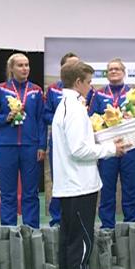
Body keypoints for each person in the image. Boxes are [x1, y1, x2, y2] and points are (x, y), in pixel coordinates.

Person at [51, 61, 127, 269]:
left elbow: (77, 144)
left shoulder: (66, 106)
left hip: (71, 187)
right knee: (81, 247)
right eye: (89, 82)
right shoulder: (74, 109)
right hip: (80, 188)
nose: (91, 87)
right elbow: (79, 150)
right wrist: (111, 148)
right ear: (78, 82)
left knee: (68, 244)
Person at [0, 53, 46, 228]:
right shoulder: (1, 89)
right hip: (7, 147)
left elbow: (41, 120)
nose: (25, 68)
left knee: (31, 193)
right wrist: (5, 117)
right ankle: (8, 230)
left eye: (27, 65)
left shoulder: (36, 90)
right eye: (20, 65)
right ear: (11, 68)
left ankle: (32, 229)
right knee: (8, 193)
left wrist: (42, 145)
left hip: (30, 147)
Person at [89, 58, 135, 228]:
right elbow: (91, 117)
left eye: (117, 69)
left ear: (124, 72)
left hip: (130, 146)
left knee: (131, 187)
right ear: (107, 74)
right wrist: (103, 121)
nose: (114, 72)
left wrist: (133, 120)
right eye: (110, 70)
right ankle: (107, 226)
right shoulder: (98, 94)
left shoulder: (134, 94)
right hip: (108, 148)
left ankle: (132, 225)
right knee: (107, 187)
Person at [43, 52, 80, 227]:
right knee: (59, 180)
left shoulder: (86, 90)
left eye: (77, 65)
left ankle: (75, 217)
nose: (75, 68)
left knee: (78, 180)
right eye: (70, 65)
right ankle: (57, 219)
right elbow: (45, 114)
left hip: (79, 142)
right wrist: (62, 121)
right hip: (58, 143)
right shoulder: (52, 90)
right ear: (62, 69)